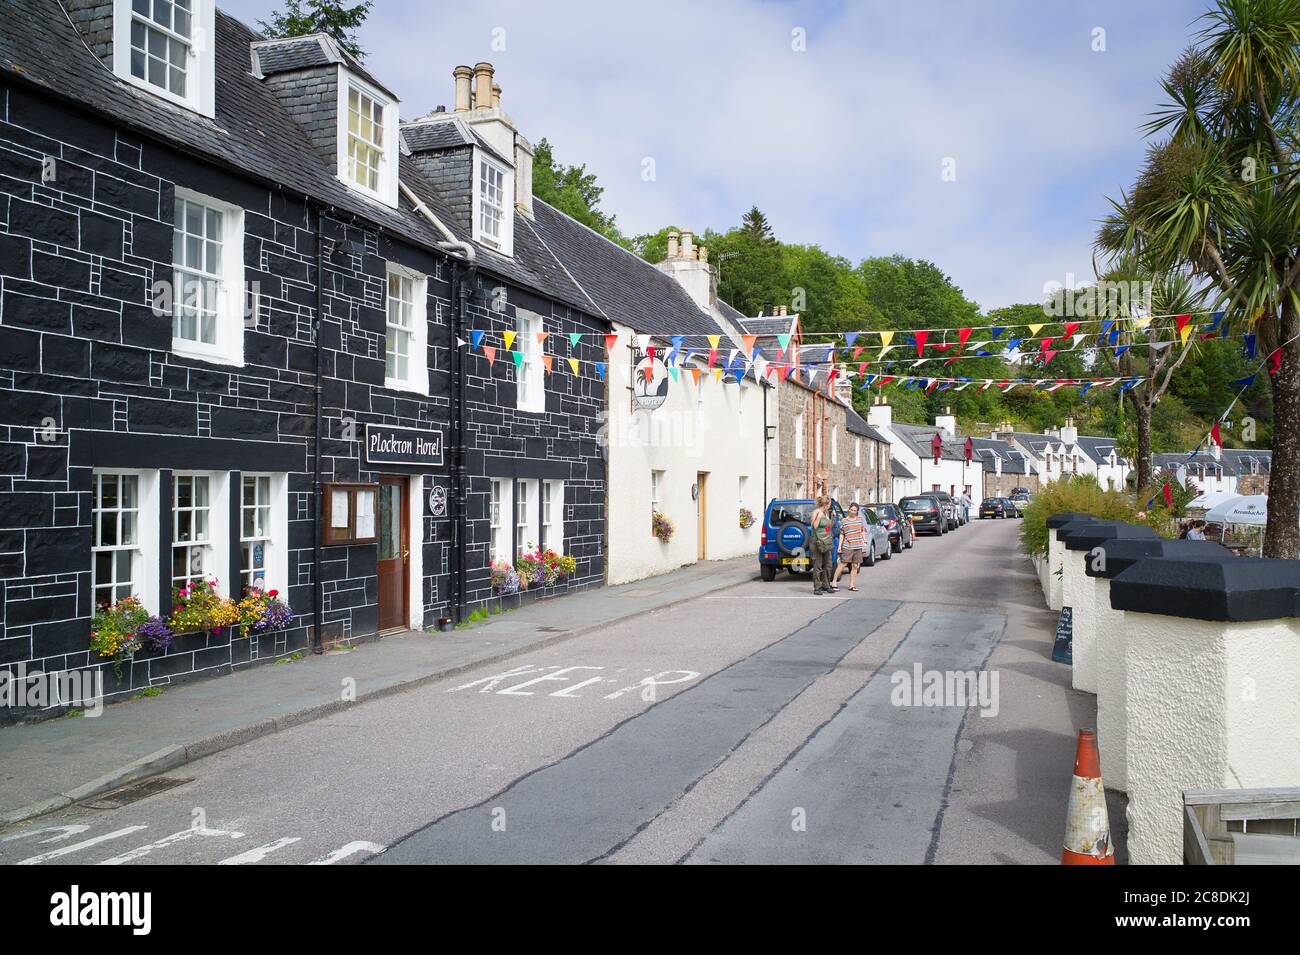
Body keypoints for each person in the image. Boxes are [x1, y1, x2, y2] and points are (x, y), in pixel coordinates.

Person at [831, 502, 867, 592]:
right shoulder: (844, 521)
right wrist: (839, 546)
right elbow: (842, 534)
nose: (853, 512)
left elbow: (862, 531)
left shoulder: (860, 519)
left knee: (855, 566)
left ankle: (852, 585)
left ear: (857, 511)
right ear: (849, 510)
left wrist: (865, 542)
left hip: (858, 546)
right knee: (843, 564)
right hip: (848, 545)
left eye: (855, 510)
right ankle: (834, 582)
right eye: (851, 510)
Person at [809, 496, 835, 596]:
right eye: (829, 505)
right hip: (817, 541)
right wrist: (819, 518)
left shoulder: (826, 513)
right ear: (825, 504)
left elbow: (827, 528)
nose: (829, 507)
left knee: (828, 564)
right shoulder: (817, 512)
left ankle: (826, 585)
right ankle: (817, 587)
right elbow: (814, 527)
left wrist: (832, 517)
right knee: (818, 565)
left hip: (826, 540)